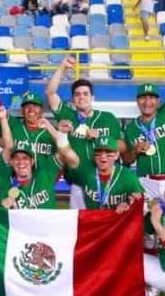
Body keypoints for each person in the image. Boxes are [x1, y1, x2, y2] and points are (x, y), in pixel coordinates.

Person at [46, 56, 125, 209]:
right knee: (79, 228)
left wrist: (101, 137)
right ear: (73, 99)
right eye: (77, 94)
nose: (81, 97)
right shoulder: (67, 115)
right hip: (78, 184)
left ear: (92, 97)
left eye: (85, 94)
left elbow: (122, 146)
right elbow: (50, 93)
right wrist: (62, 67)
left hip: (106, 183)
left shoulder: (107, 118)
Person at [122, 41, 165, 202]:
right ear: (137, 101)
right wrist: (135, 151)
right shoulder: (131, 128)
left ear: (158, 101)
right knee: (144, 221)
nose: (147, 102)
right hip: (146, 181)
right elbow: (126, 160)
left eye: (152, 98)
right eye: (143, 98)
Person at [75, 136, 143, 211]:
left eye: (108, 152)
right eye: (99, 152)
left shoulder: (129, 177)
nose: (103, 157)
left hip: (118, 221)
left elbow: (141, 202)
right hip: (92, 220)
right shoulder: (85, 172)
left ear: (117, 155)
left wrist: (129, 204)